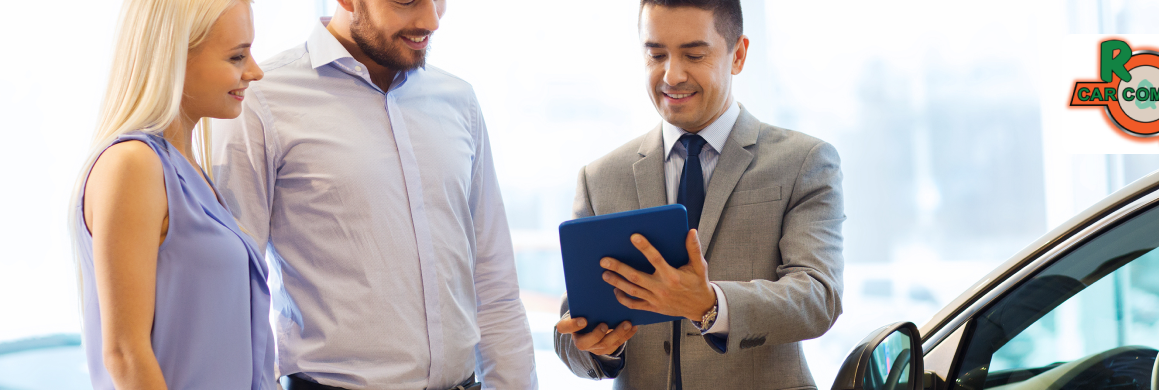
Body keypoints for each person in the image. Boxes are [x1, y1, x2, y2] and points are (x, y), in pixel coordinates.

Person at [209, 0, 536, 389]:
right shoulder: (260, 101)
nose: (431, 20)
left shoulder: (459, 100)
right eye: (408, 1)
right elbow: (232, 295)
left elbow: (494, 283)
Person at [553, 0, 846, 388]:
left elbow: (818, 296)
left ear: (738, 55)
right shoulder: (600, 178)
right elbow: (572, 325)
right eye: (656, 55)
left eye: (693, 55)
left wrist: (710, 305)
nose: (671, 75)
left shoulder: (803, 162)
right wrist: (599, 347)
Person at [71, 0, 270, 388]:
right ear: (174, 57)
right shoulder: (133, 165)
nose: (255, 71)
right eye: (237, 56)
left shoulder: (189, 171)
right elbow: (125, 354)